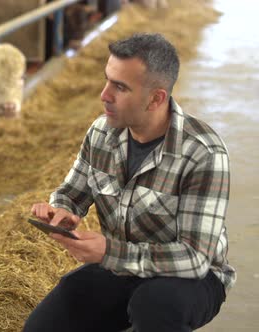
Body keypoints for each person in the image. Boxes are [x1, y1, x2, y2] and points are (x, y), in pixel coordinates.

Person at [24, 33, 235, 332]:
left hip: (190, 278)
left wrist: (109, 252)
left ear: (156, 98)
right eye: (107, 80)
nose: (104, 95)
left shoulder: (203, 152)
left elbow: (195, 258)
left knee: (154, 306)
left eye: (120, 87)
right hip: (120, 265)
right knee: (44, 325)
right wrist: (61, 211)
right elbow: (72, 193)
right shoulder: (102, 132)